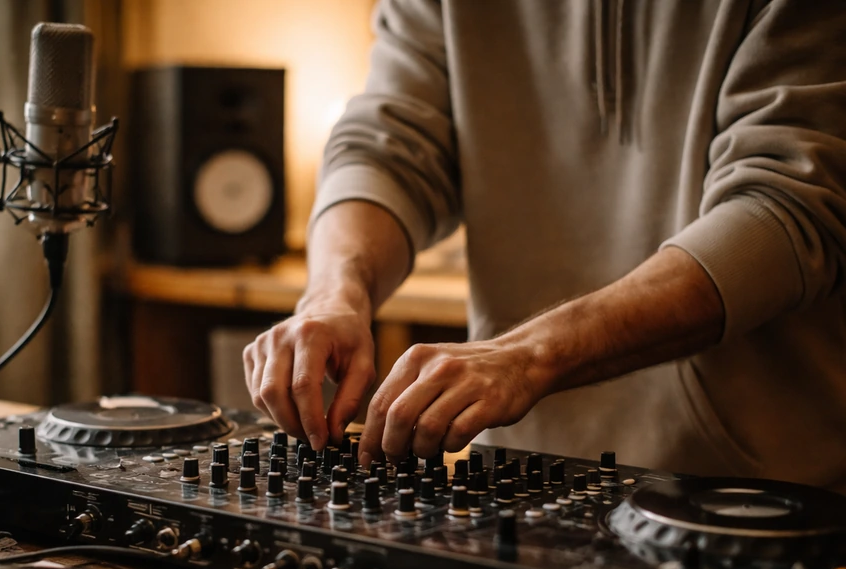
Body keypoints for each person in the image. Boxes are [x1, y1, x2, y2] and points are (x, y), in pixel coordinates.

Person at [243, 0, 846, 492]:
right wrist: (333, 295)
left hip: (758, 486)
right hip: (513, 471)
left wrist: (527, 356)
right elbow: (389, 146)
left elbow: (787, 206)